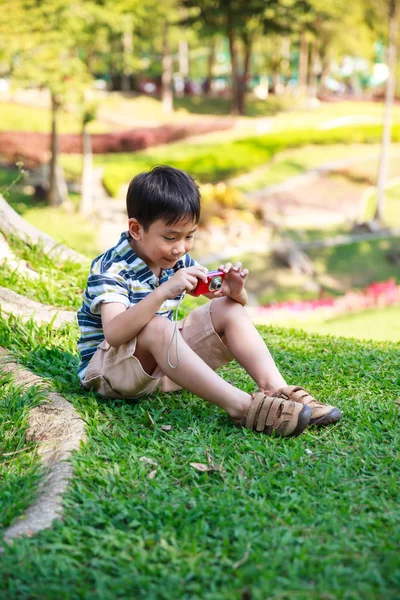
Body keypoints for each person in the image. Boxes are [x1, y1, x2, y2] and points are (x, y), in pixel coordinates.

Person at [77, 165, 342, 437]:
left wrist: (234, 291)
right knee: (159, 327)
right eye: (170, 237)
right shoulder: (111, 268)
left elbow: (228, 305)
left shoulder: (174, 259)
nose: (181, 248)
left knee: (226, 308)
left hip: (159, 371)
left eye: (189, 236)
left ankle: (276, 389)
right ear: (136, 228)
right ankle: (242, 406)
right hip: (109, 373)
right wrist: (164, 291)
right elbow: (115, 332)